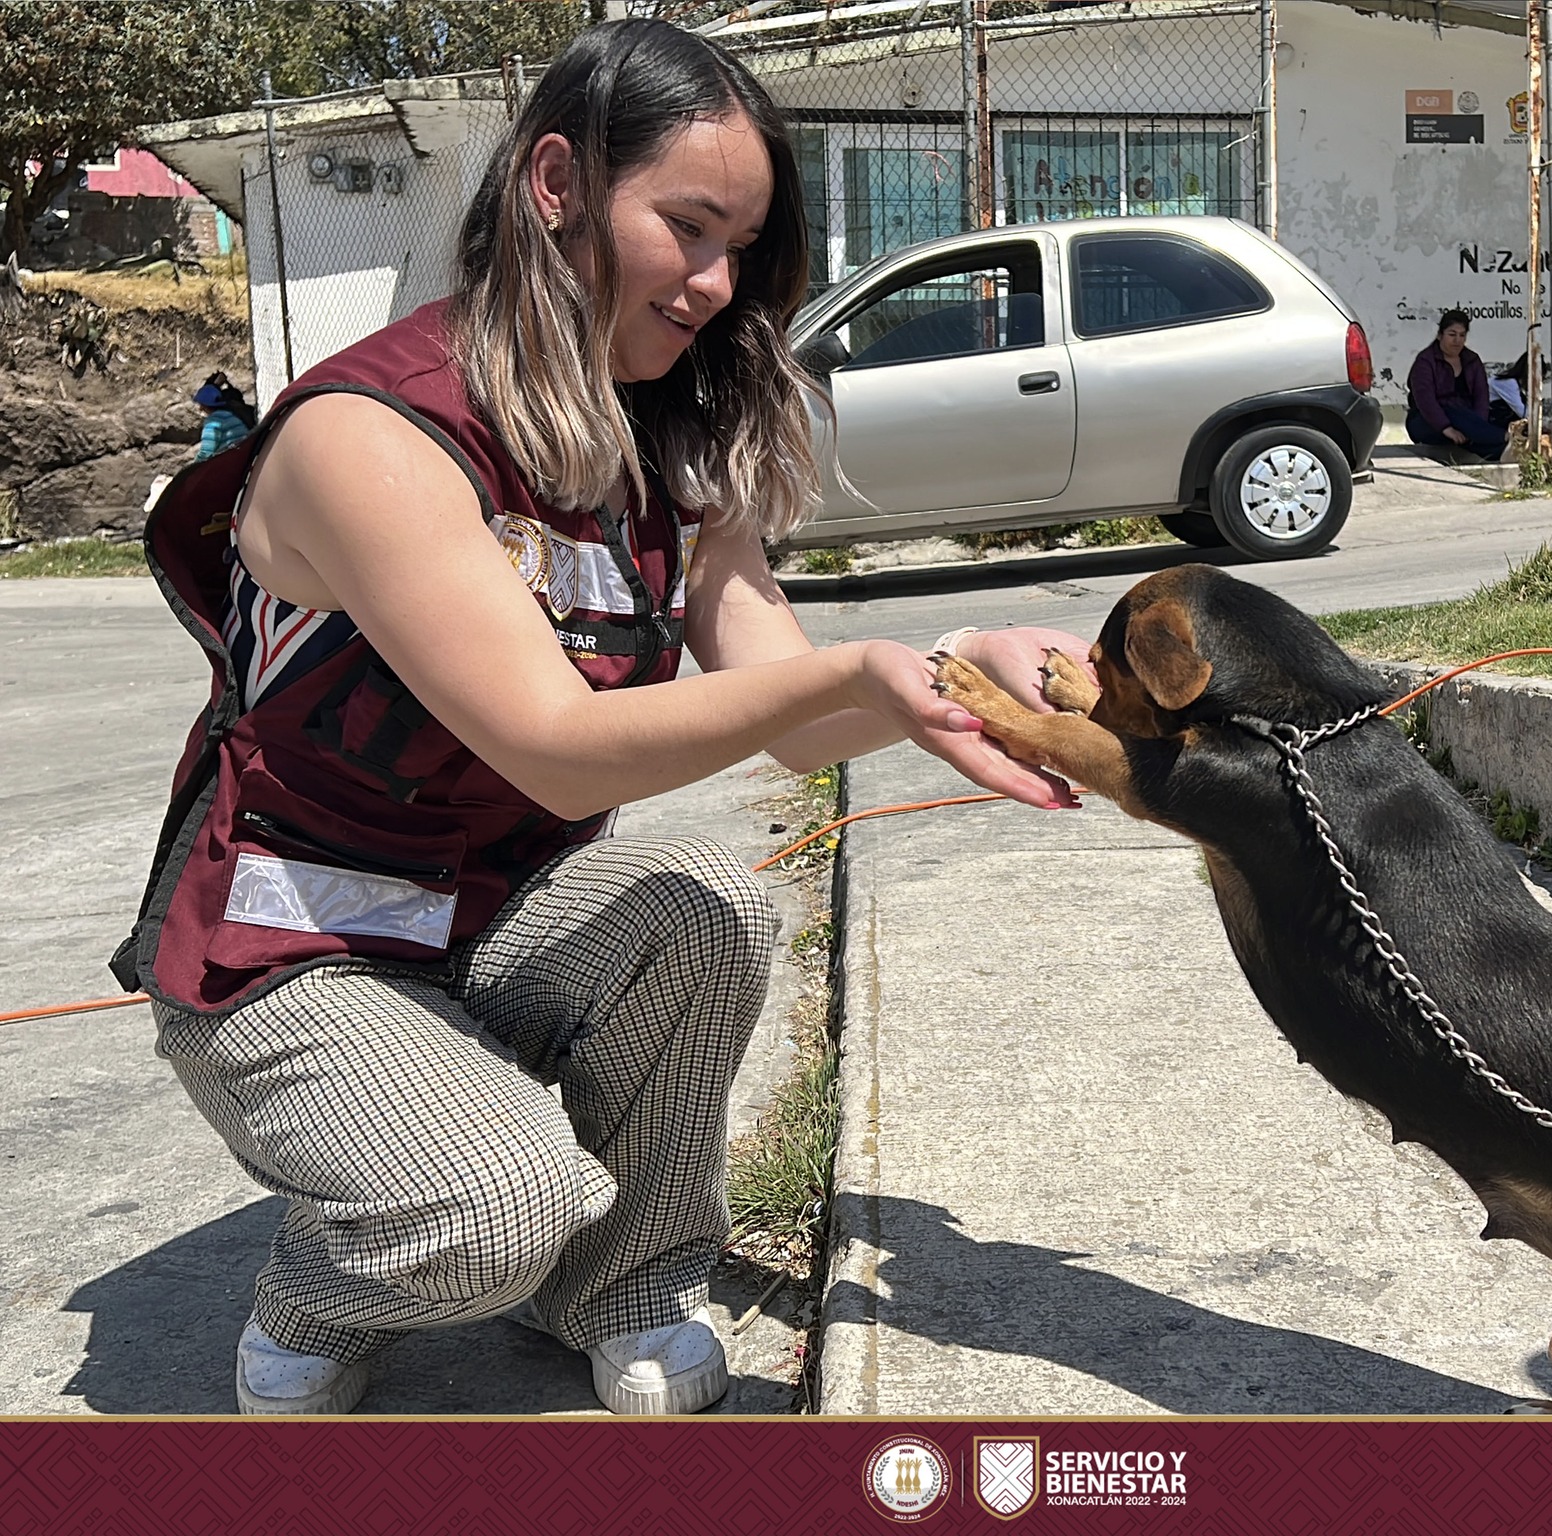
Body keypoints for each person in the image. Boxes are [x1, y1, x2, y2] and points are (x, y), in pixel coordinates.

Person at [112, 21, 1093, 1419]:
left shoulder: (668, 441)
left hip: (494, 914)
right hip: (295, 945)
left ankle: (622, 1285)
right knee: (499, 1210)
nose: (713, 288)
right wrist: (856, 675)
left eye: (740, 252)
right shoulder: (368, 435)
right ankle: (325, 1289)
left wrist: (955, 668)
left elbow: (797, 717)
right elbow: (552, 742)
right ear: (556, 182)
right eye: (686, 229)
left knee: (704, 906)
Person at [1405, 309, 1507, 462]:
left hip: (1467, 423)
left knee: (1490, 443)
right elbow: (1425, 401)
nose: (1457, 340)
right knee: (1453, 411)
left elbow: (1481, 397)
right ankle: (1505, 437)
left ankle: (1503, 447)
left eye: (1462, 335)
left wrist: (1475, 426)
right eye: (1452, 335)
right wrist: (1447, 429)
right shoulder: (1425, 361)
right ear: (1440, 335)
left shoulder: (1472, 360)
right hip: (1428, 422)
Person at [192, 371, 257, 460]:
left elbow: (206, 452)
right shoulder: (231, 416)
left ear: (204, 406)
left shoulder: (213, 421)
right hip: (246, 457)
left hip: (231, 461)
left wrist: (191, 471)